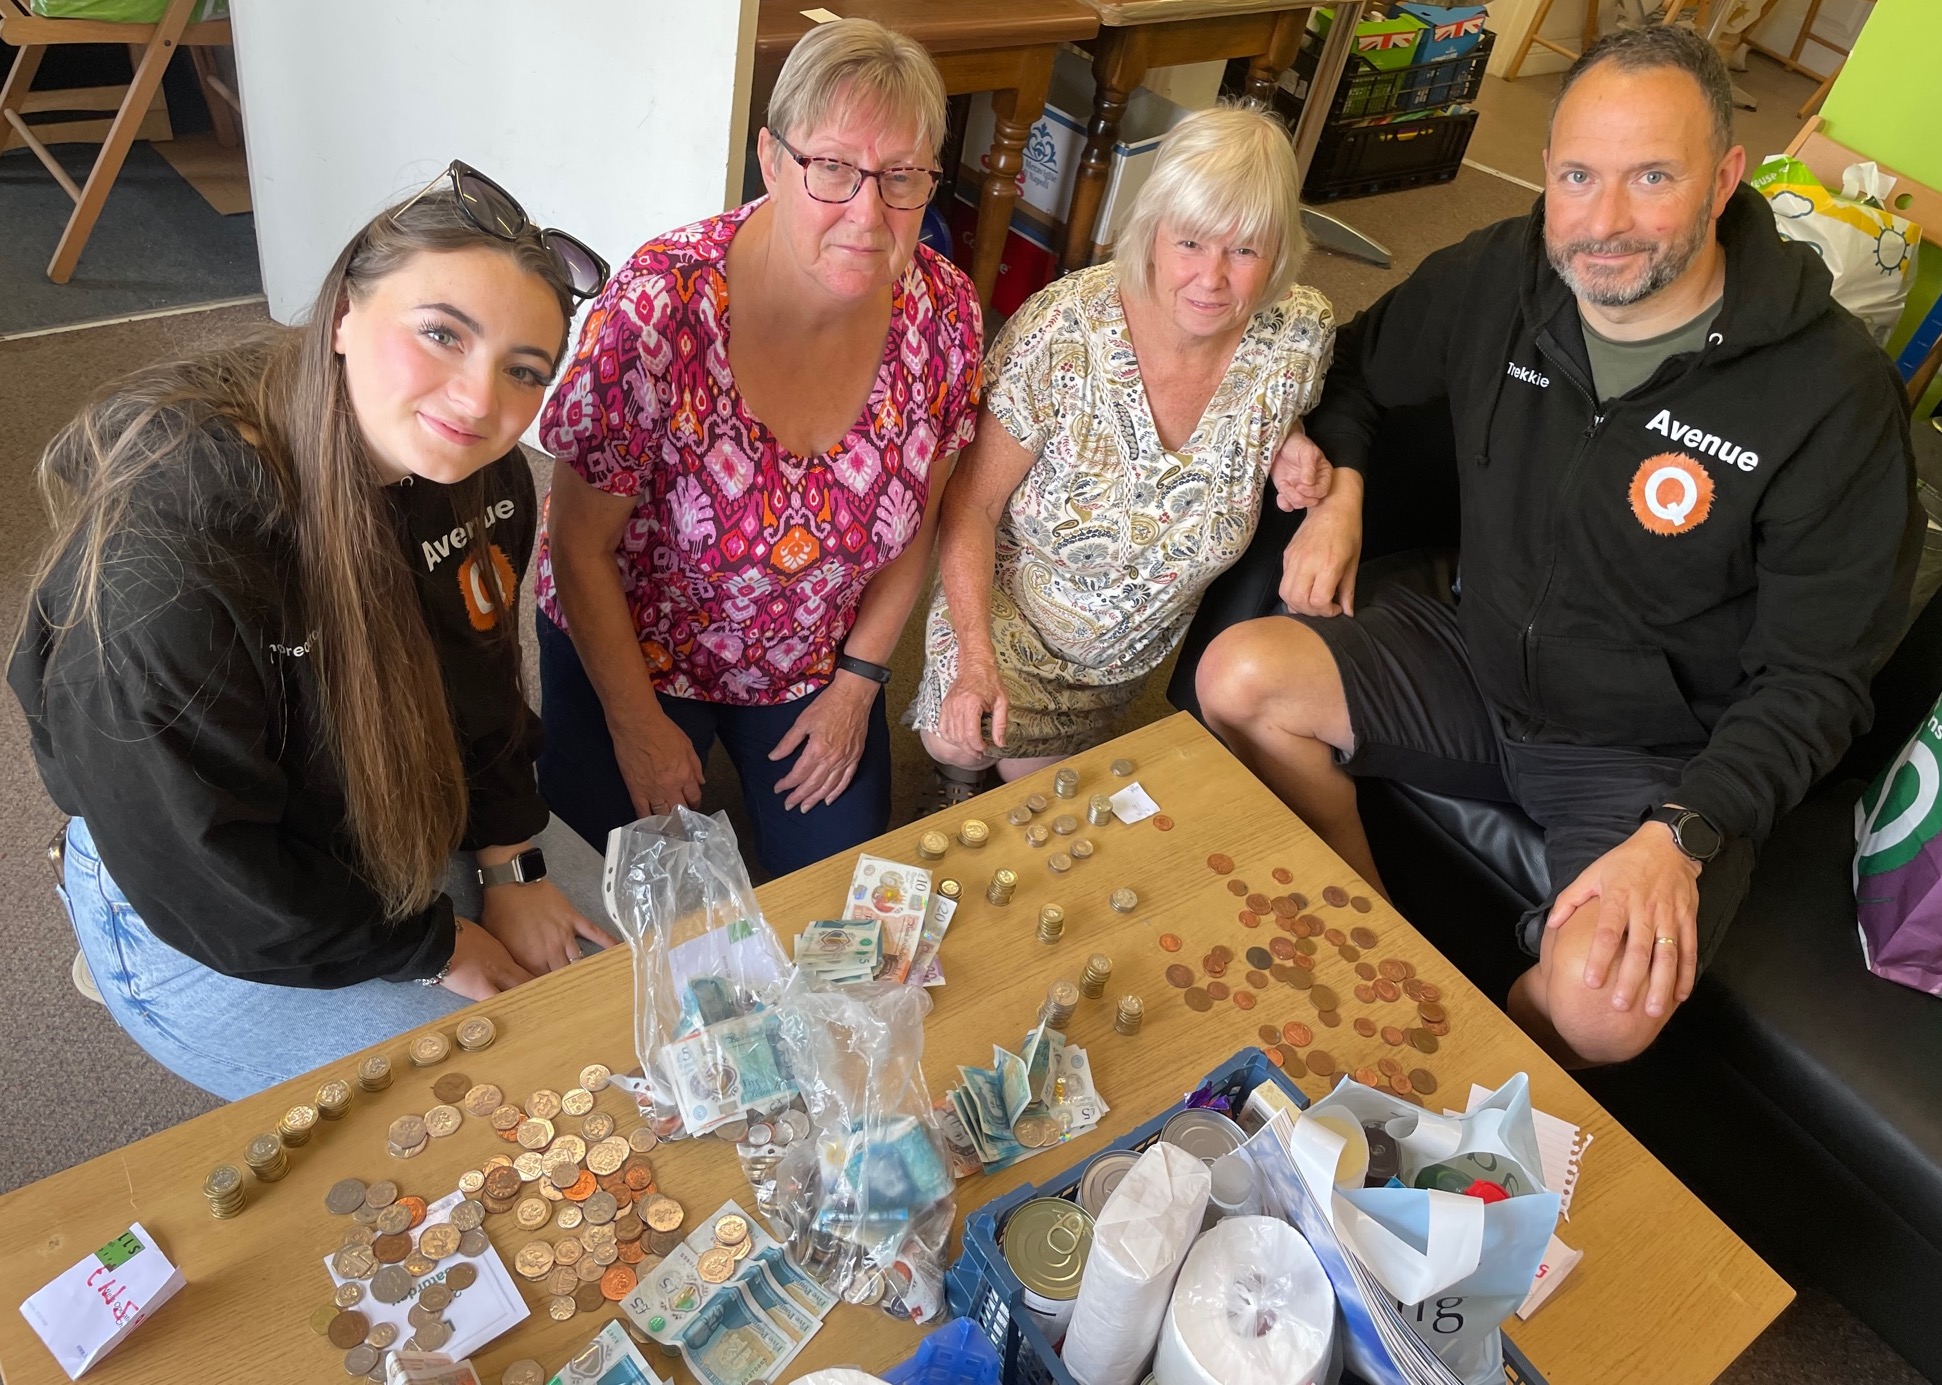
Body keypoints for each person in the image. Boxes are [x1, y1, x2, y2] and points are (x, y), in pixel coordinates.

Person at [1194, 25, 1917, 1067]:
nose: (1603, 222)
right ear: (1546, 169)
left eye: (1650, 177)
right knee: (1239, 673)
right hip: (1474, 650)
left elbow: (1815, 679)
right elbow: (1352, 370)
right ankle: (1387, 977)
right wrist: (1342, 490)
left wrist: (1685, 831)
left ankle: (1455, 1078)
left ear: (1723, 178)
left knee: (1602, 1005)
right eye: (1578, 175)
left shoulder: (1832, 398)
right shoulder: (1501, 275)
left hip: (1651, 754)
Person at [11, 163, 616, 1100]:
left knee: (637, 990)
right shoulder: (170, 551)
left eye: (522, 370)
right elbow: (212, 872)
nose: (478, 398)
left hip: (380, 808)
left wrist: (511, 857)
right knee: (513, 1091)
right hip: (205, 886)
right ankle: (118, 956)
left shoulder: (483, 475)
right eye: (441, 333)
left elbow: (482, 679)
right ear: (341, 316)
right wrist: (436, 941)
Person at [537, 17, 981, 874]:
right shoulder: (661, 304)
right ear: (772, 160)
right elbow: (578, 543)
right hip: (638, 643)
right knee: (608, 896)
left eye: (900, 177)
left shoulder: (948, 314)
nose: (867, 211)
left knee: (841, 901)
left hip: (811, 651)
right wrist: (633, 723)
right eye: (833, 168)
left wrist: (859, 683)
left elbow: (918, 517)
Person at [907, 104, 1334, 798]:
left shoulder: (1296, 337)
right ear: (1153, 233)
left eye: (1246, 250)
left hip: (1125, 664)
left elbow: (1270, 408)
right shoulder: (1060, 332)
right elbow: (971, 505)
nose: (1212, 277)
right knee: (972, 747)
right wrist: (975, 658)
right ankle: (952, 769)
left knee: (1056, 820)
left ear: (1280, 252)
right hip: (1009, 626)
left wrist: (1292, 442)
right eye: (1191, 242)